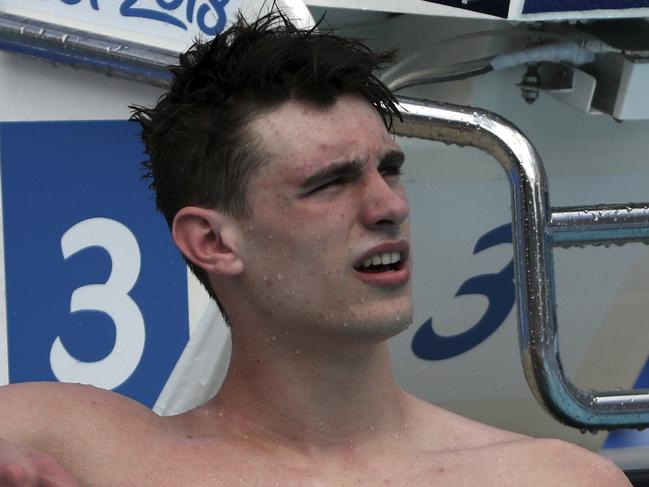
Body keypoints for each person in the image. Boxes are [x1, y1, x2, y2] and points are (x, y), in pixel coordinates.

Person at [0, 10, 631, 487]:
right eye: (330, 183)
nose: (390, 206)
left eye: (391, 169)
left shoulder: (550, 480)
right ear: (213, 241)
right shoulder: (94, 453)